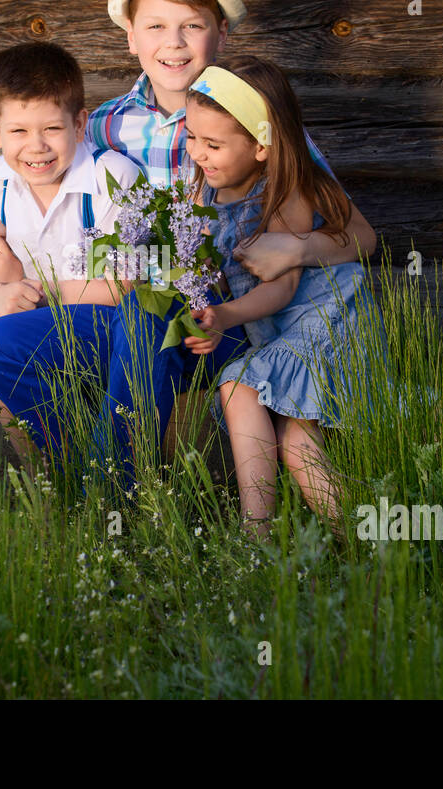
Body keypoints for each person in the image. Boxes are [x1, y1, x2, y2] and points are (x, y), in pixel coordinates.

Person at [0, 0, 378, 487]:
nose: (175, 43)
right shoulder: (101, 126)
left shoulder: (258, 123)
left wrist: (299, 249)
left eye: (192, 26)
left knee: (146, 317)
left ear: (222, 35)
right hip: (112, 304)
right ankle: (79, 479)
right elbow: (48, 199)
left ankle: (117, 493)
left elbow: (361, 235)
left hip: (215, 319)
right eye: (157, 27)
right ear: (131, 36)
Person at [182, 56, 387, 539]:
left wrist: (225, 315)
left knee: (267, 413)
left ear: (261, 146)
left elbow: (284, 286)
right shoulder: (204, 196)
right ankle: (302, 539)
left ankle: (291, 540)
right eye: (191, 137)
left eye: (213, 144)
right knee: (269, 418)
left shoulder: (286, 190)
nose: (198, 153)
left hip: (328, 321)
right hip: (278, 330)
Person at [0, 41, 139, 458]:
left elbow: (118, 284)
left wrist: (23, 286)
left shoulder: (109, 177)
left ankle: (48, 478)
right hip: (15, 302)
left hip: (94, 322)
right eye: (18, 131)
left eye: (52, 129)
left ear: (79, 125)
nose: (36, 146)